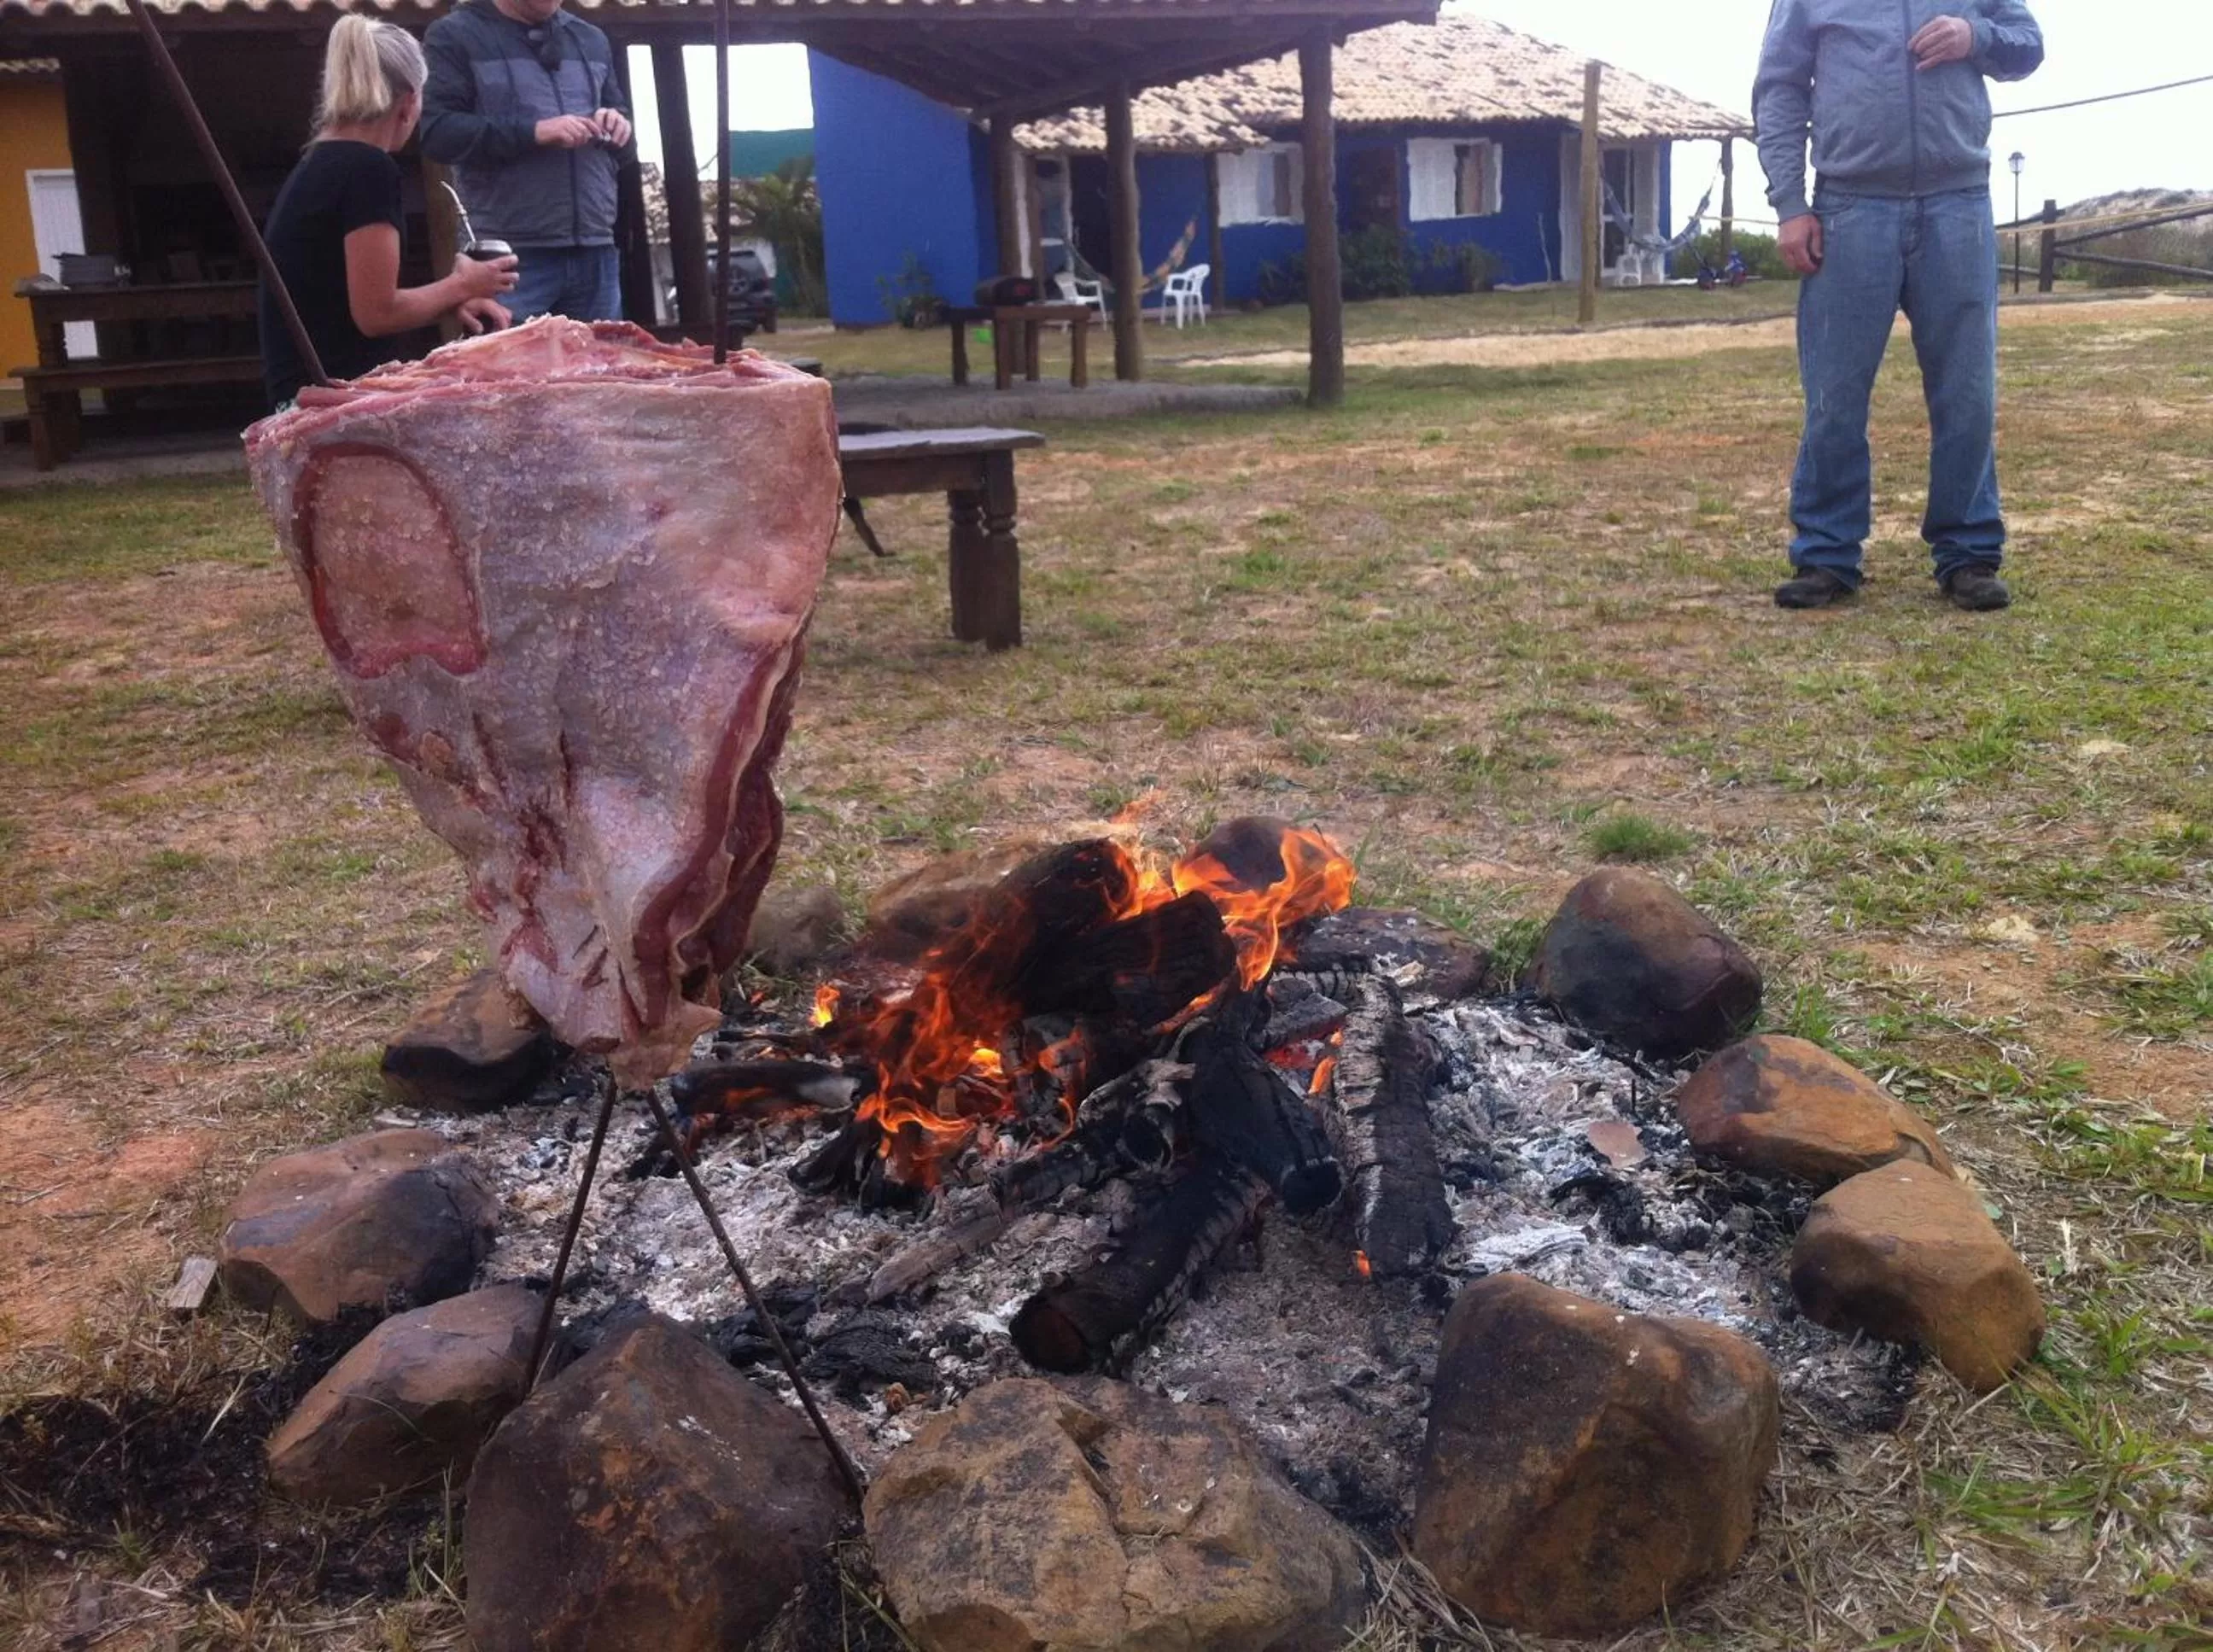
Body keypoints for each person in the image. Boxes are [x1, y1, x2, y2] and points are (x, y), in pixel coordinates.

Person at [1755, 2, 2044, 612]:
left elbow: (2028, 46)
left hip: (1958, 202)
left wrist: (1976, 36)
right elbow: (1779, 89)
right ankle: (1827, 553)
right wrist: (1789, 203)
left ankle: (1967, 552)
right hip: (1848, 207)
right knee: (1834, 393)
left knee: (1968, 391)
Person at [260, 16, 517, 409]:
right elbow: (376, 314)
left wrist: (450, 299)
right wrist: (463, 285)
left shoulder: (321, 162)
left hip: (298, 393)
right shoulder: (368, 169)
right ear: (410, 100)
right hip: (328, 406)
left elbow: (336, 303)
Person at [418, 0, 635, 323]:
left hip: (595, 249)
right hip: (508, 257)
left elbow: (624, 140)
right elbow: (438, 133)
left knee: (601, 370)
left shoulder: (590, 38)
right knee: (509, 370)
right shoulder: (455, 34)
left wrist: (619, 124)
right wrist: (535, 132)